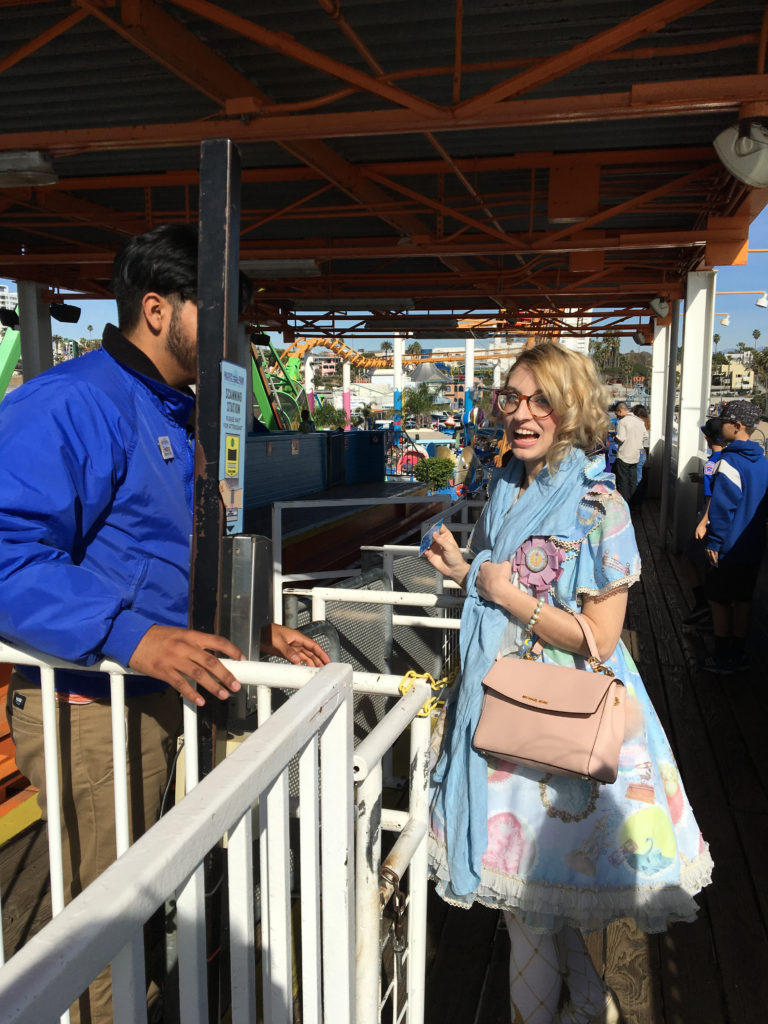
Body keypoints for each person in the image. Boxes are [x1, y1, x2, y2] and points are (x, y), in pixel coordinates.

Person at [0, 223, 328, 1023]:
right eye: (217, 313)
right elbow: (8, 556)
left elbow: (156, 565)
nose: (233, 337)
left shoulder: (174, 412)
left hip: (157, 696)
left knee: (149, 894)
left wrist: (249, 633)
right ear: (156, 308)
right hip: (92, 709)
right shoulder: (69, 405)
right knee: (106, 923)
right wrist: (133, 638)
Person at [423, 344, 712, 1024]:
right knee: (543, 914)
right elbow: (503, 581)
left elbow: (600, 639)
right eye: (512, 400)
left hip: (555, 726)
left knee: (533, 908)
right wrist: (467, 571)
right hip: (503, 710)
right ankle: (592, 1012)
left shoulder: (598, 504)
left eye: (540, 401)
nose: (522, 415)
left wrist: (500, 589)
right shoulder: (508, 487)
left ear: (572, 407)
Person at [699, 399, 768, 674]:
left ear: (737, 426)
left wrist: (714, 541)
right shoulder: (762, 462)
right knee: (743, 599)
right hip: (752, 546)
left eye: (724, 422)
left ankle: (721, 655)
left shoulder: (729, 461)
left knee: (718, 599)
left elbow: (723, 506)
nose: (719, 427)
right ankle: (739, 654)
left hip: (727, 547)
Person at [682, 417, 725, 627]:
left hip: (709, 522)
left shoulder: (711, 464)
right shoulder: (727, 459)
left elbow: (713, 497)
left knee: (689, 559)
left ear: (708, 439)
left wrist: (702, 522)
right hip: (726, 524)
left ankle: (702, 604)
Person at [613, 401, 646, 504]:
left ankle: (624, 504)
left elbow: (621, 438)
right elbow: (645, 436)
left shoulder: (622, 422)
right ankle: (633, 503)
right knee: (632, 482)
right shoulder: (640, 421)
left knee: (623, 482)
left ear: (620, 411)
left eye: (617, 414)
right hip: (635, 456)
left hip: (624, 456)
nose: (616, 416)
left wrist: (614, 438)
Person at [630, 404, 650, 507]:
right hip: (643, 452)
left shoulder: (638, 425)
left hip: (637, 452)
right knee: (639, 478)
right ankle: (637, 503)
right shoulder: (647, 426)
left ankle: (635, 503)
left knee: (636, 479)